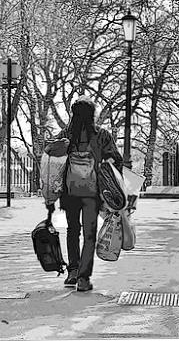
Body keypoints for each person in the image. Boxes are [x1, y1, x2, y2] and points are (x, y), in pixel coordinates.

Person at [48, 96, 124, 292]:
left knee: (73, 231)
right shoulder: (102, 135)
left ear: (73, 114)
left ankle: (72, 271)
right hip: (93, 194)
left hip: (70, 192)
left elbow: (51, 157)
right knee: (89, 235)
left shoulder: (66, 135)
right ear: (92, 115)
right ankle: (83, 278)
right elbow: (116, 161)